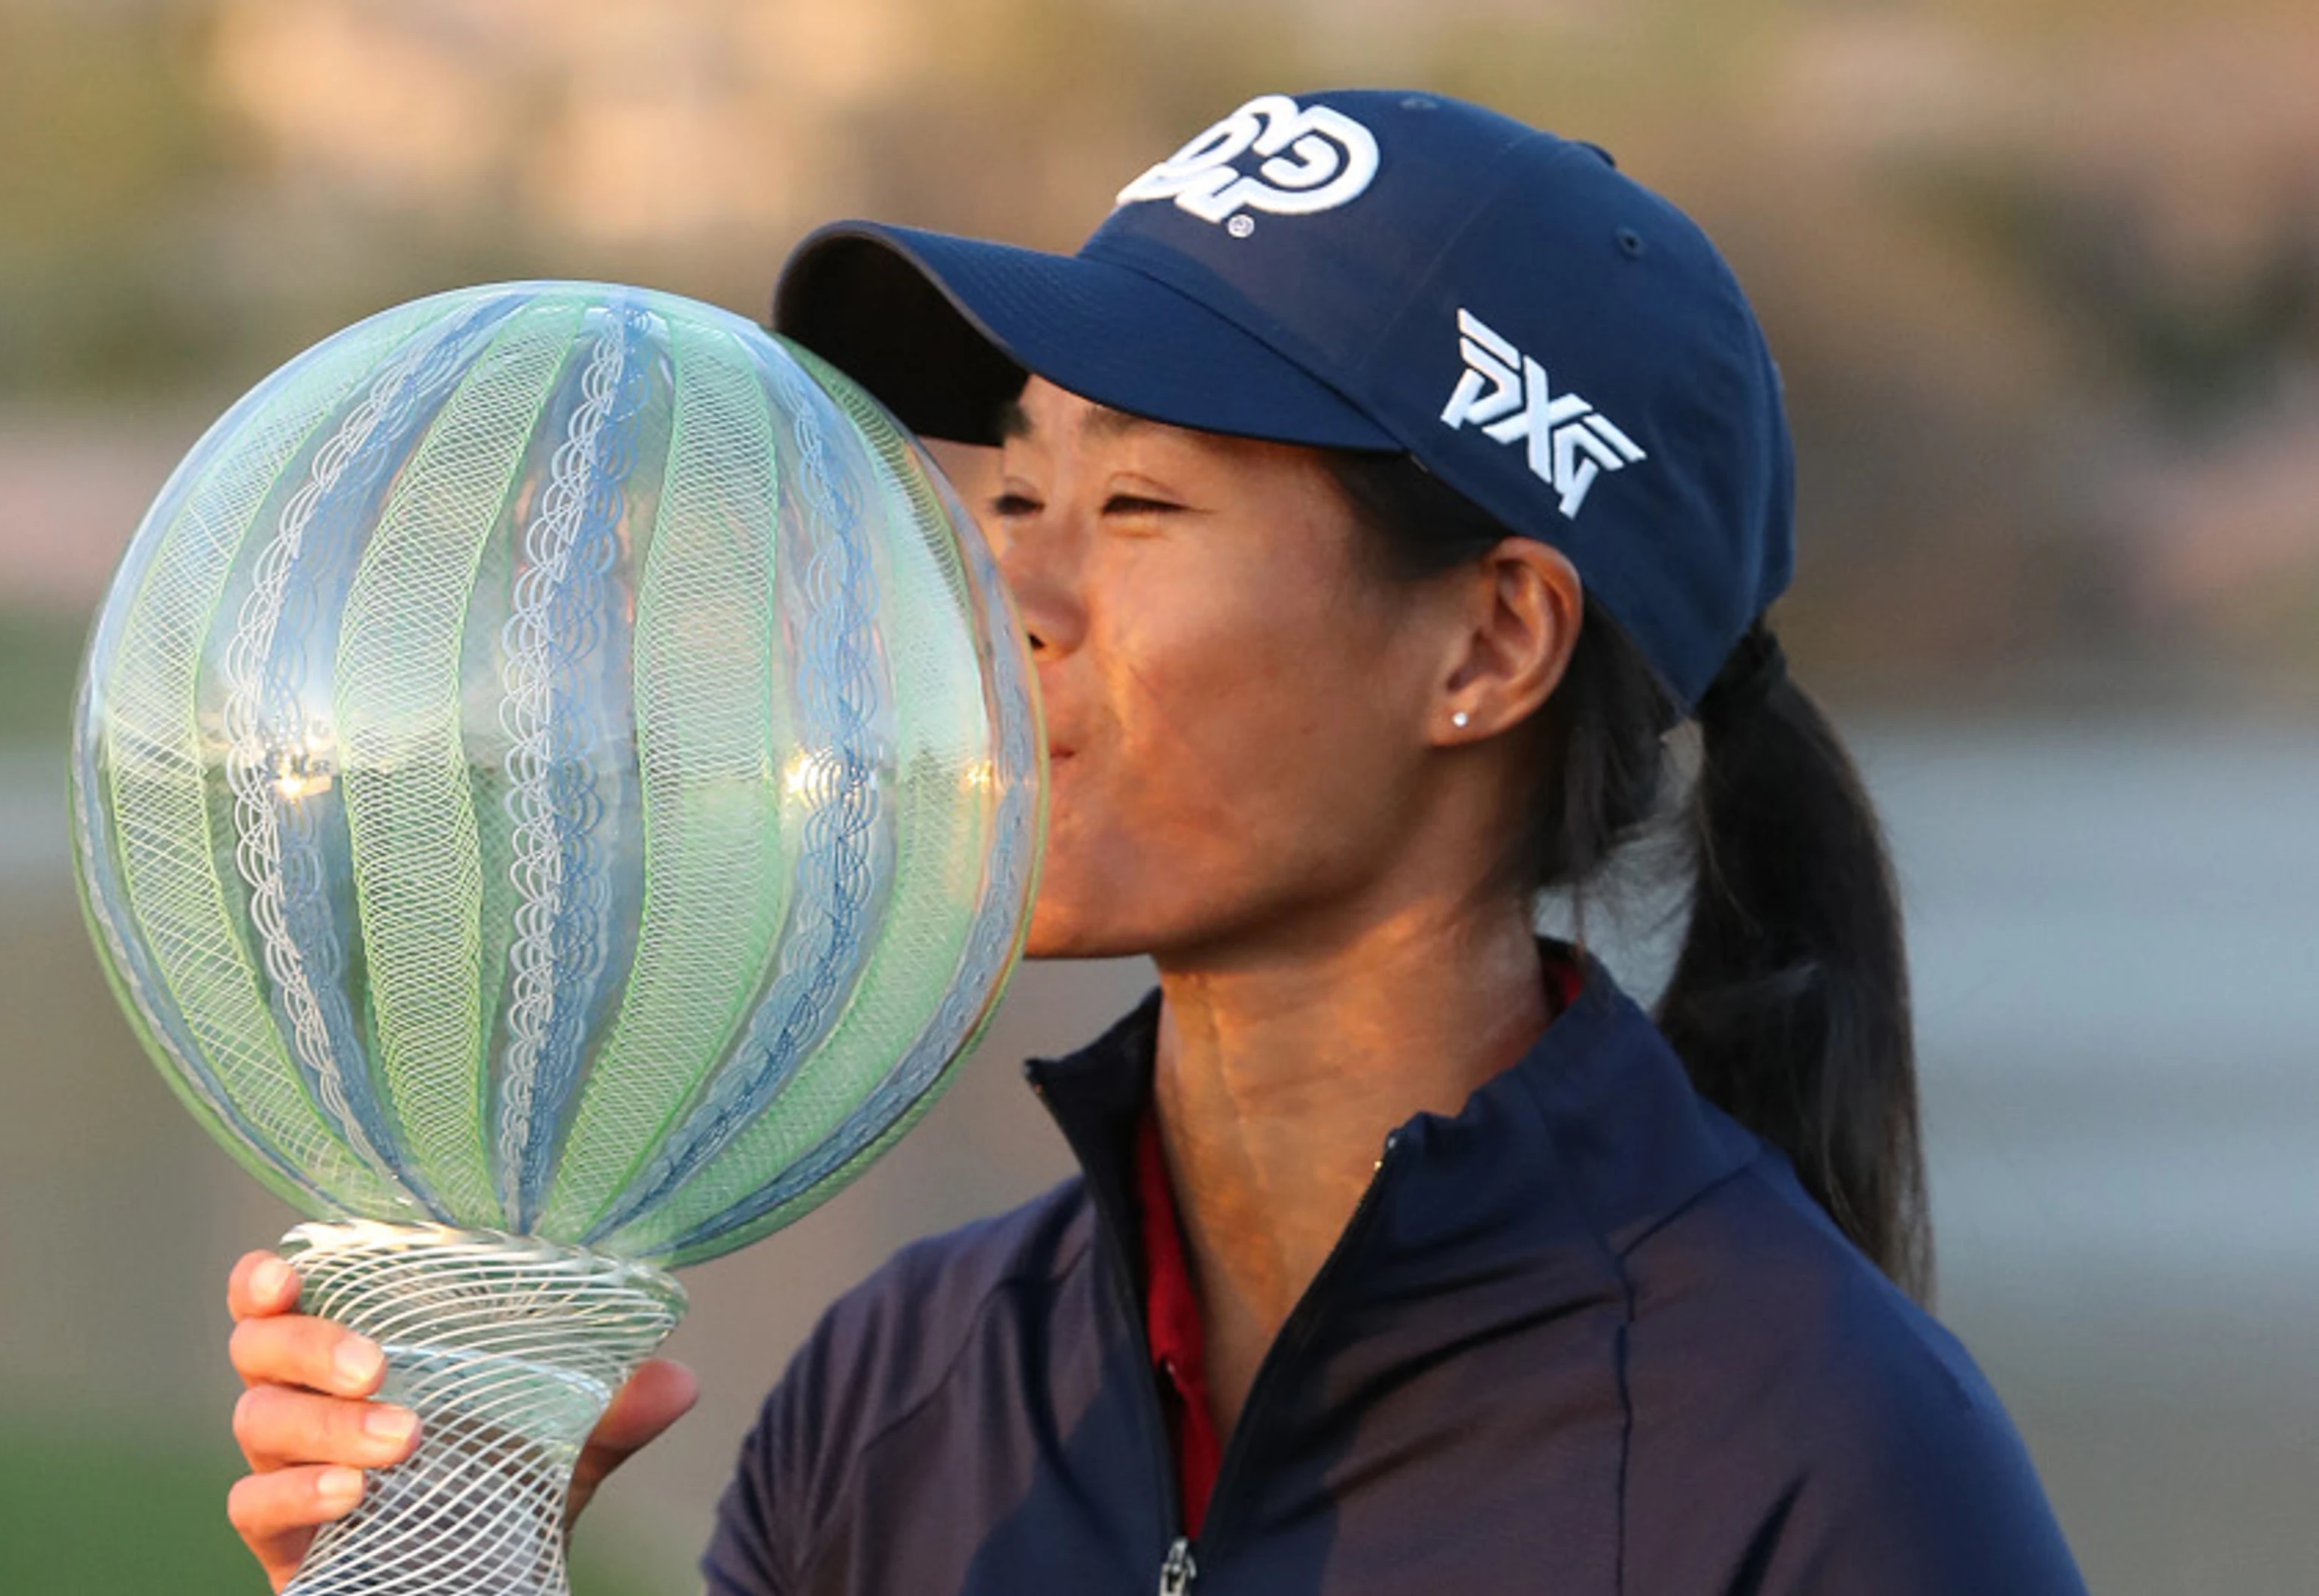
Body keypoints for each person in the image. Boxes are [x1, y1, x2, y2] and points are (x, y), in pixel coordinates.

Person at [221, 89, 2089, 1593]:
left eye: (1131, 498)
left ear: (1493, 639)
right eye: (1012, 484)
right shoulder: (908, 1392)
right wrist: (455, 1541)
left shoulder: (1814, 1463)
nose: (998, 586)